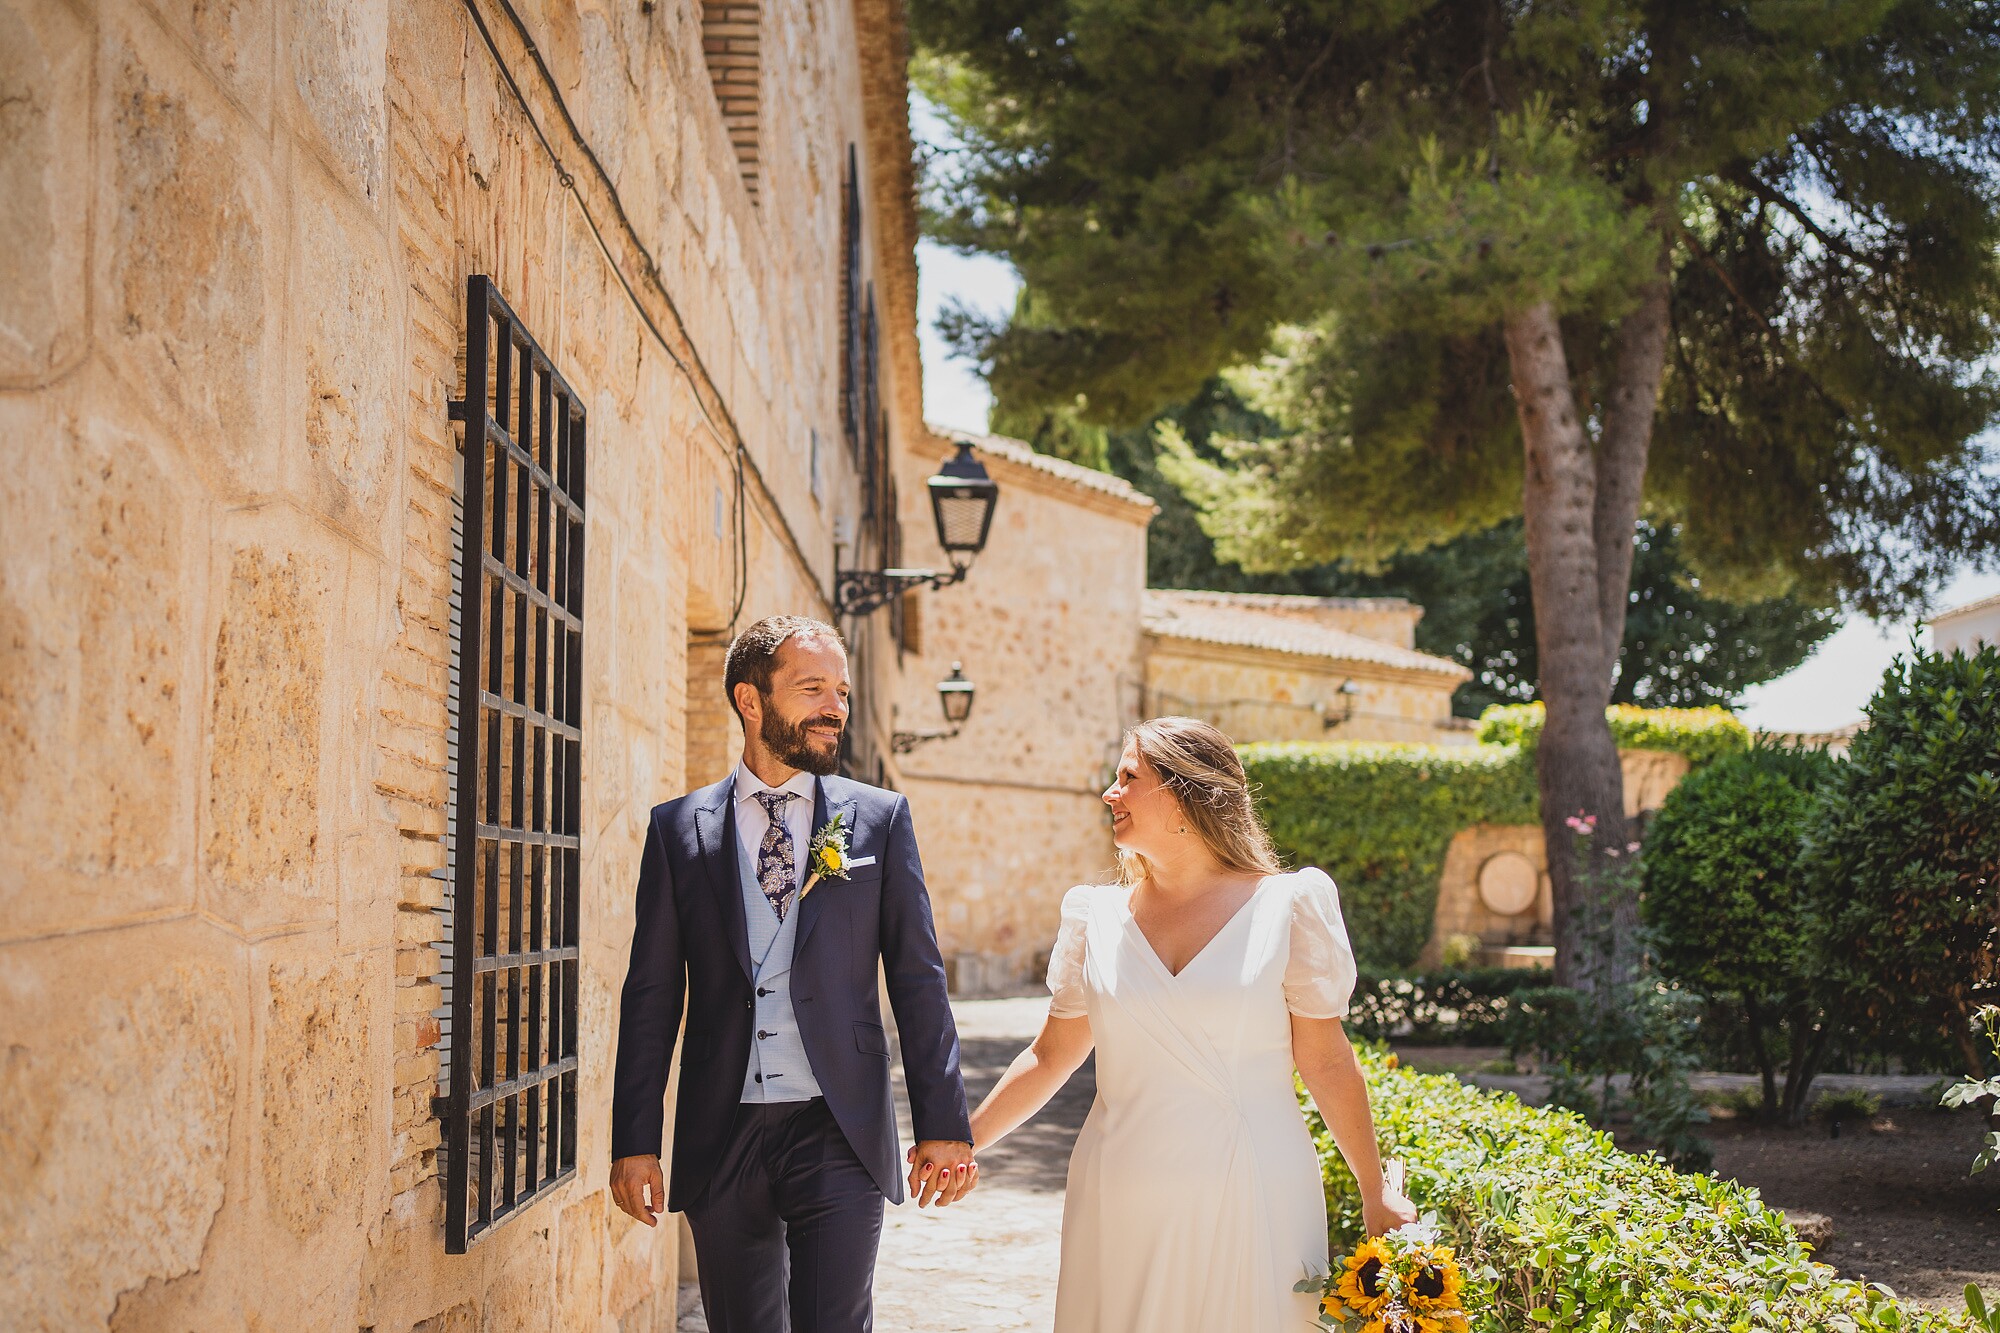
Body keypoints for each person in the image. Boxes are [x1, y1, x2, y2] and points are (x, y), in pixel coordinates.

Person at [968, 716, 1417, 1331]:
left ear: (1183, 796)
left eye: (1129, 778)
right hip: (1118, 1192)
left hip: (1255, 1187)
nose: (1110, 794)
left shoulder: (1289, 905)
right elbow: (1050, 1057)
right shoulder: (1093, 917)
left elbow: (1325, 1058)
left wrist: (1374, 1191)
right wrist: (963, 1142)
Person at [609, 615, 976, 1333]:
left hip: (838, 1125)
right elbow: (652, 994)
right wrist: (635, 1138)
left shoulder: (879, 819)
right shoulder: (677, 829)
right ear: (752, 700)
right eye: (813, 688)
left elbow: (918, 978)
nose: (835, 706)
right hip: (723, 1131)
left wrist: (944, 1121)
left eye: (840, 689)